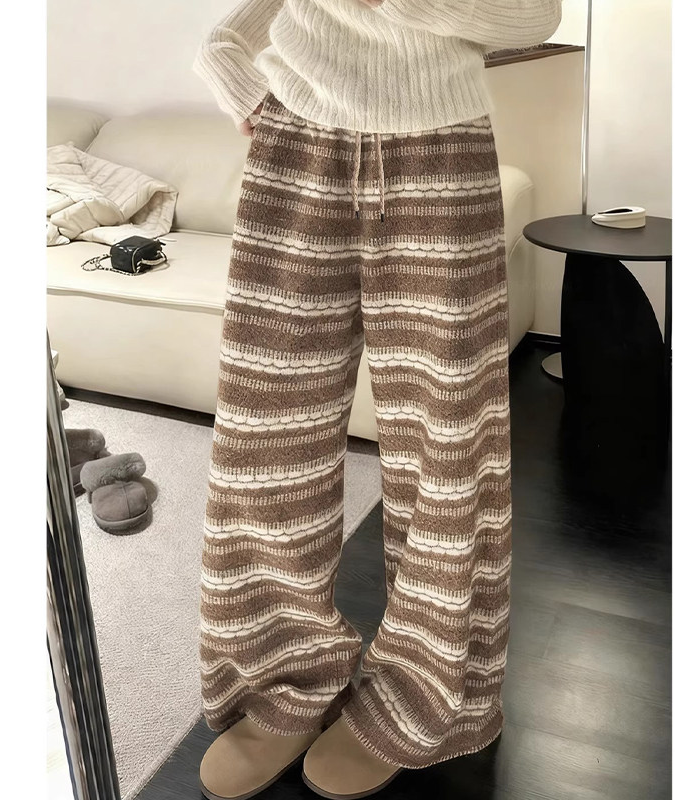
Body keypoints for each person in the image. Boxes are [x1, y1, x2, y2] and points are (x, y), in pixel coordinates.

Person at [192, 2, 562, 798]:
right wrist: (230, 70)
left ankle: (429, 692)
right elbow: (237, 28)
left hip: (441, 152)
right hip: (294, 150)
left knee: (447, 445)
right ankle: (281, 676)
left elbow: (533, 15)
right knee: (266, 441)